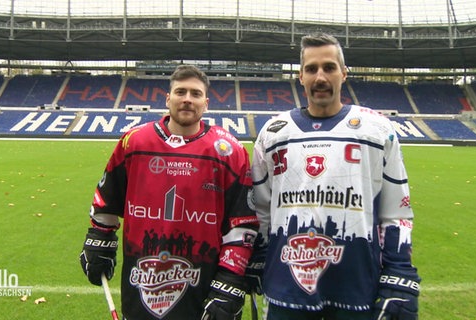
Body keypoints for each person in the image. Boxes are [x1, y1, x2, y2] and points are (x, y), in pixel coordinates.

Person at [247, 33, 420, 320]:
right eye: (311, 69)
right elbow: (261, 210)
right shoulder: (273, 133)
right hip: (285, 287)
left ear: (344, 73)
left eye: (329, 67)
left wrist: (399, 271)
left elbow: (396, 211)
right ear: (300, 76)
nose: (320, 77)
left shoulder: (378, 130)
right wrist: (257, 258)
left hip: (357, 287)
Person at [79, 64, 258, 320]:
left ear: (205, 103)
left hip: (205, 292)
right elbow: (106, 201)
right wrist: (99, 238)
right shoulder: (134, 141)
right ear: (168, 99)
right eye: (180, 92)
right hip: (140, 285)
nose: (187, 99)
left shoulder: (230, 151)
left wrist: (231, 278)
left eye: (195, 94)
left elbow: (242, 224)